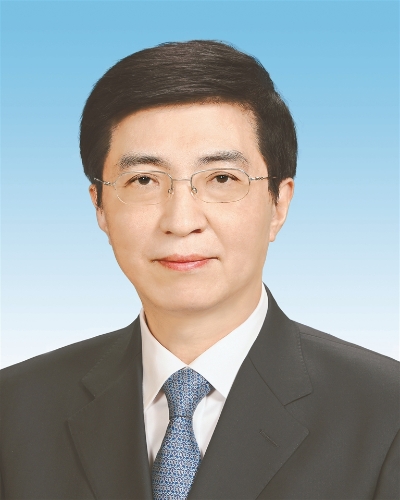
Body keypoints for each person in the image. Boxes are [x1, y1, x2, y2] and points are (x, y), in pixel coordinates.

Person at [0, 40, 398, 500]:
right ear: (100, 207)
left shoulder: (386, 414)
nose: (181, 221)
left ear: (278, 204)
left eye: (221, 178)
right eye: (144, 180)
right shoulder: (15, 410)